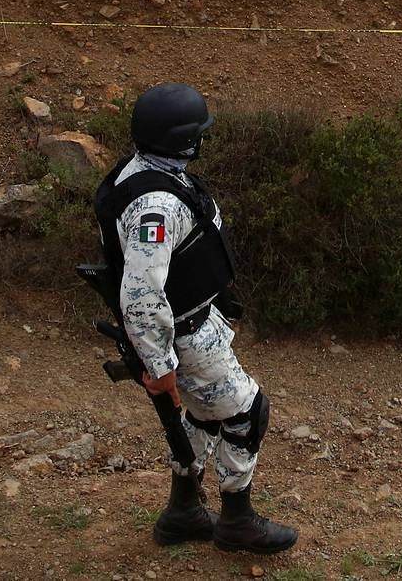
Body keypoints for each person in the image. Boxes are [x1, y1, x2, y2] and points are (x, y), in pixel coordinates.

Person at [94, 83, 297, 554]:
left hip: (195, 323)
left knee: (204, 418)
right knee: (247, 413)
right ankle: (237, 521)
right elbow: (141, 294)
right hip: (185, 336)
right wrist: (159, 366)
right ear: (182, 139)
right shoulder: (156, 207)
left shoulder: (142, 170)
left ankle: (183, 512)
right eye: (196, 132)